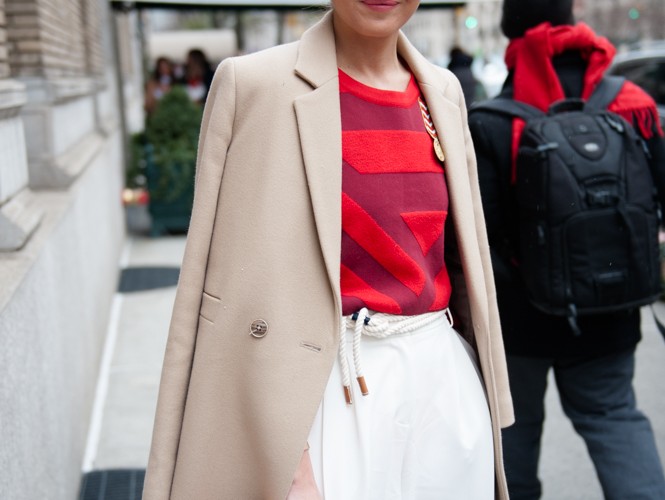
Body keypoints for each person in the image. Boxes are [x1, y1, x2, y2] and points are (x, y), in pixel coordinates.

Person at [143, 2, 513, 499]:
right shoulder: (255, 86)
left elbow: (466, 267)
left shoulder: (442, 91)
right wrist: (289, 463)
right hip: (323, 395)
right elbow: (233, 292)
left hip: (444, 387)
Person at [468, 1, 665, 499]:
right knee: (614, 416)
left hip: (520, 320)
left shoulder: (491, 121)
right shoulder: (633, 103)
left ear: (510, 31)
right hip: (611, 309)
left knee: (513, 432)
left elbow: (481, 234)